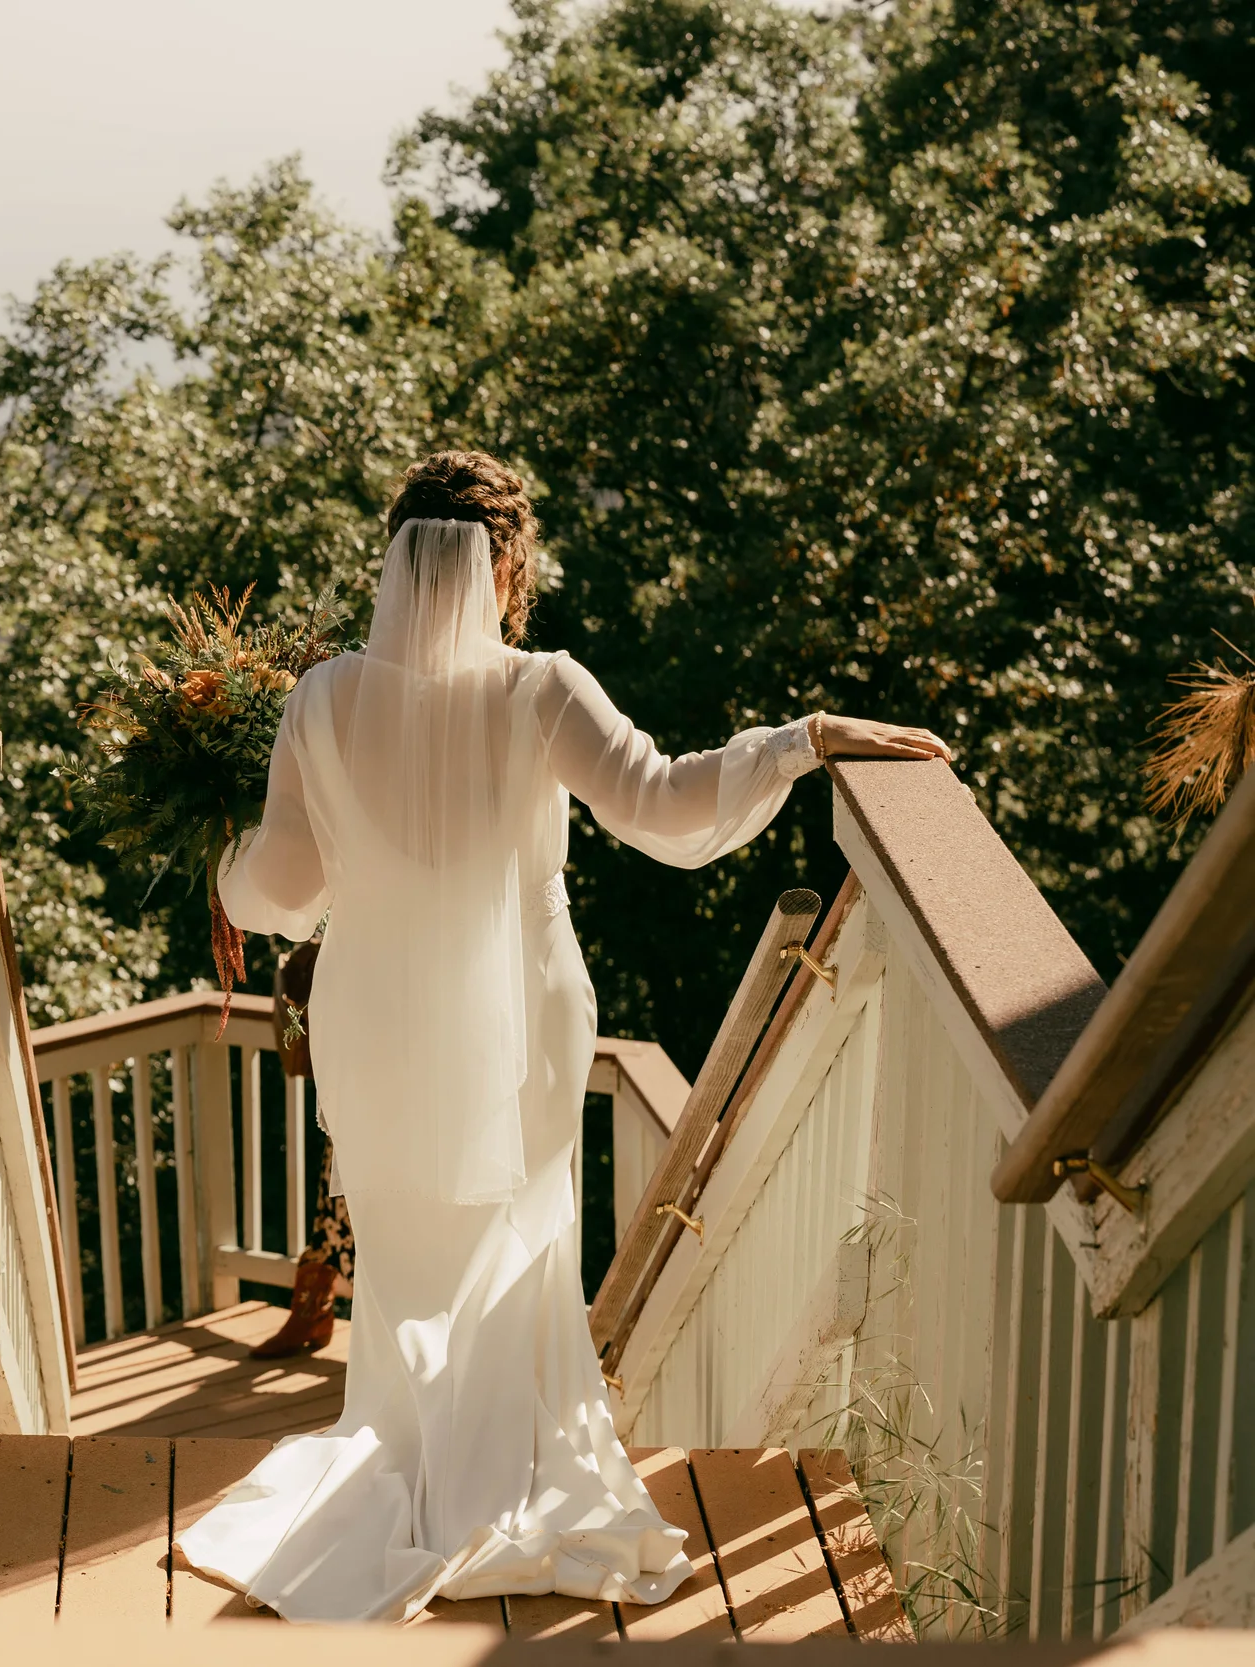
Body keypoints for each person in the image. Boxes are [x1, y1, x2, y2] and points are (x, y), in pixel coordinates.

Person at [173, 452, 948, 1623]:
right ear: (505, 565)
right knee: (514, 1245)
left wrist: (223, 860)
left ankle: (418, 1463)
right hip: (520, 1020)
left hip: (375, 1018)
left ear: (393, 559)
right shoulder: (541, 689)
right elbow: (669, 804)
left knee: (405, 1252)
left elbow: (279, 889)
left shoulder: (321, 697)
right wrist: (804, 735)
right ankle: (502, 1471)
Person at [252, 938, 355, 1360]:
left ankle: (314, 1312)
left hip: (385, 1067)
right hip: (359, 1066)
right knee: (336, 1200)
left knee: (348, 1206)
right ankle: (313, 1310)